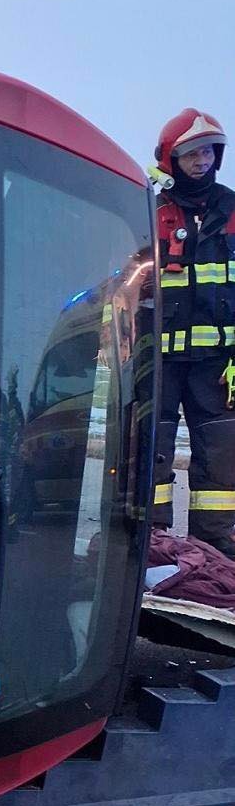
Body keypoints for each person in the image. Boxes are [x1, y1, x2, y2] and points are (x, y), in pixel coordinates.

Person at [152, 110, 235, 556]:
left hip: (219, 368)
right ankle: (155, 546)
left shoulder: (233, 209)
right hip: (159, 363)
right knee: (153, 454)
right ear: (171, 158)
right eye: (191, 153)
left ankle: (216, 553)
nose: (201, 160)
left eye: (208, 151)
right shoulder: (151, 210)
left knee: (222, 461)